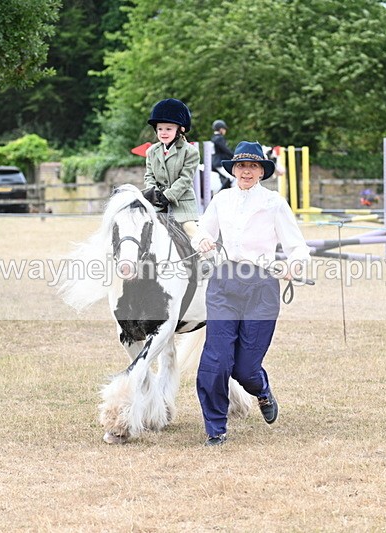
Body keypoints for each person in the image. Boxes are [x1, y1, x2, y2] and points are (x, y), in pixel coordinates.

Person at [191, 141, 311, 446]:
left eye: (253, 166)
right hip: (224, 284)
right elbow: (202, 231)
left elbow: (298, 246)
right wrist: (203, 240)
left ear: (261, 171)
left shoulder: (274, 203)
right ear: (234, 170)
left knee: (245, 369)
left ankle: (262, 390)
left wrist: (293, 265)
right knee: (217, 361)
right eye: (242, 166)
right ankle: (216, 429)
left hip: (262, 287)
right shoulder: (221, 199)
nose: (247, 171)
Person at [142, 98, 201, 239]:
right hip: (157, 203)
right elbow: (149, 176)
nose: (163, 132)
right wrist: (154, 193)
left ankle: (205, 252)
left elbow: (185, 179)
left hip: (182, 205)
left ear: (180, 129)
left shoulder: (190, 151)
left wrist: (167, 196)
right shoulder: (151, 151)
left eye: (168, 129)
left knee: (193, 233)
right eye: (160, 129)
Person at [210, 119, 235, 189]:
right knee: (231, 178)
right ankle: (220, 193)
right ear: (220, 129)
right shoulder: (219, 138)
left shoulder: (213, 137)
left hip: (214, 162)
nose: (225, 131)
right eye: (224, 129)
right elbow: (226, 150)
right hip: (218, 163)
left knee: (224, 179)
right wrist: (235, 156)